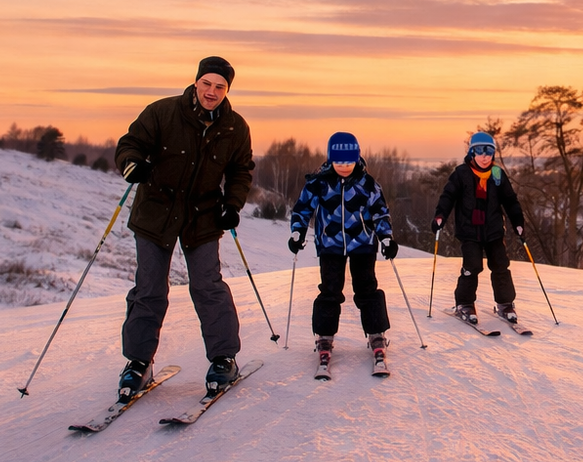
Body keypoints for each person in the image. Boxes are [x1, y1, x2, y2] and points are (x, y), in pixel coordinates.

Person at [113, 57, 254, 398]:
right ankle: (138, 363)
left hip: (202, 215)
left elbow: (241, 171)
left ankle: (224, 358)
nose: (212, 91)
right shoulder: (162, 112)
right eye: (207, 84)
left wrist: (232, 205)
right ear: (196, 83)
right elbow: (129, 145)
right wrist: (131, 164)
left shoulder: (235, 127)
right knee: (149, 289)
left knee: (207, 286)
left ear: (227, 90)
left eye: (220, 87)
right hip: (155, 213)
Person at [288, 132, 398, 379]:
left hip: (363, 245)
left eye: (349, 162)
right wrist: (297, 232)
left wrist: (387, 237)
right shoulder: (319, 183)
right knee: (330, 289)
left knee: (367, 288)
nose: (344, 167)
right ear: (331, 159)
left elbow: (380, 213)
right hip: (331, 245)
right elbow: (302, 209)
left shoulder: (368, 184)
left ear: (357, 159)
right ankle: (324, 338)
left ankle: (377, 335)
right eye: (339, 162)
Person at [431, 131, 526, 327]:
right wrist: (440, 216)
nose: (485, 157)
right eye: (480, 152)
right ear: (472, 153)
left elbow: (510, 201)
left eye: (489, 152)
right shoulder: (461, 173)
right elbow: (447, 197)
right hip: (469, 231)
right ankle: (464, 303)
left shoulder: (497, 174)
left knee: (500, 264)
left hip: (493, 230)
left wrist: (518, 222)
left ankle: (505, 304)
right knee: (472, 265)